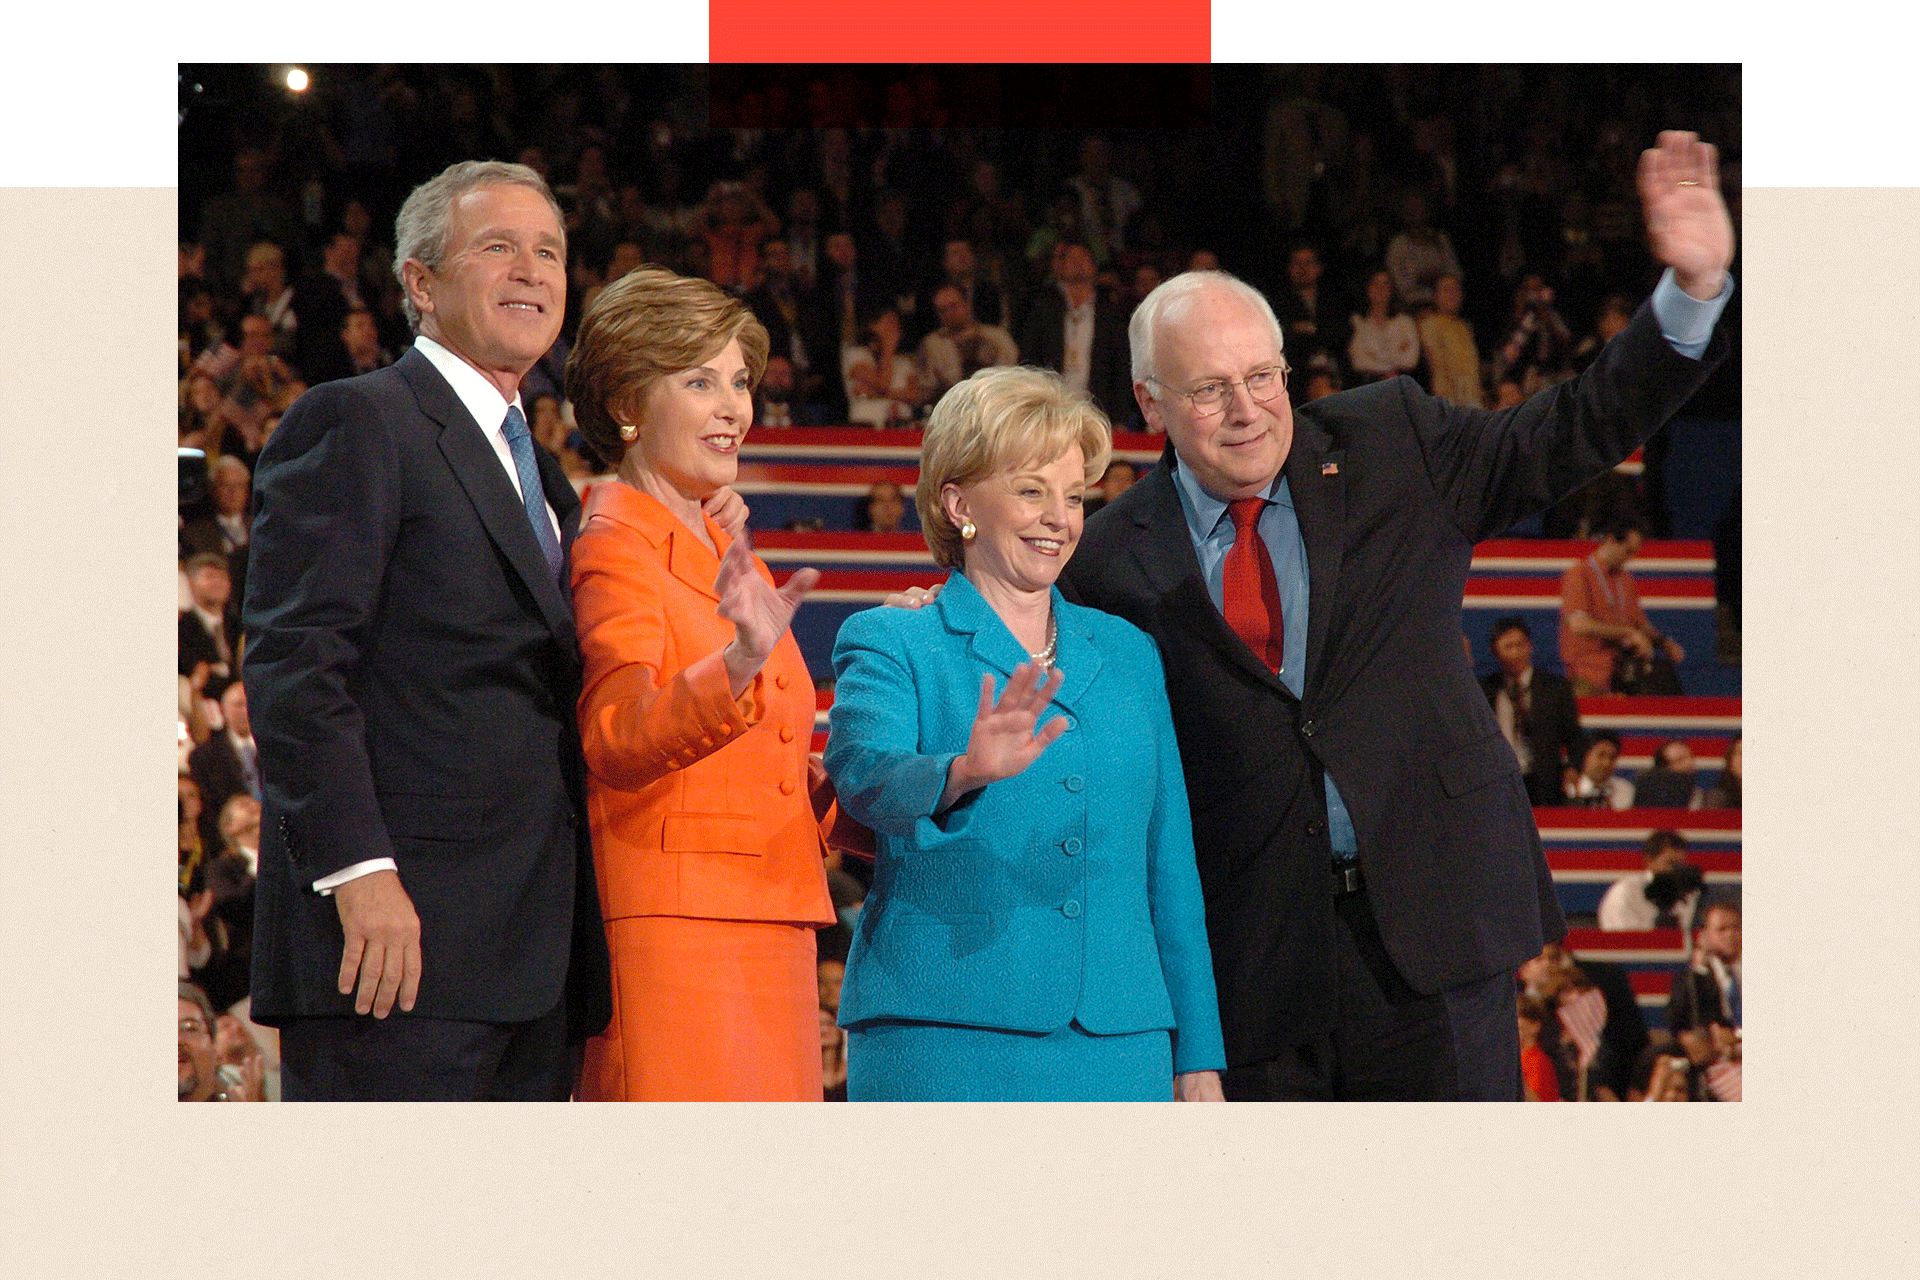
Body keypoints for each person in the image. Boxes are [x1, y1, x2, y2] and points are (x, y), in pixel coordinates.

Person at [1054, 130, 1733, 1099]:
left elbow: (1569, 425)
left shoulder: (1390, 442)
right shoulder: (1108, 557)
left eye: (1262, 375)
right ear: (1149, 401)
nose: (1247, 409)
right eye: (1209, 389)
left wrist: (1693, 292)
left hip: (1436, 929)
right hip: (1253, 967)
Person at [243, 160, 622, 1101]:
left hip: (533, 960)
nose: (532, 271)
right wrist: (356, 870)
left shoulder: (543, 472)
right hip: (391, 946)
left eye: (549, 252)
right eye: (499, 247)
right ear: (420, 282)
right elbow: (297, 664)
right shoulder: (357, 420)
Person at [826, 366, 1226, 1101]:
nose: (1059, 519)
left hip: (1121, 1047)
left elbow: (1168, 861)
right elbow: (863, 777)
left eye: (1073, 496)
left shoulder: (1129, 654)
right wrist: (961, 772)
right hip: (942, 1038)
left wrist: (1197, 1052)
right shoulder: (893, 638)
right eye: (1031, 491)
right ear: (958, 503)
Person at [563, 265, 836, 1101]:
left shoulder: (726, 546)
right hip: (676, 936)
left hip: (774, 918)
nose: (733, 407)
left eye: (740, 382)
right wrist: (740, 663)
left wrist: (926, 780)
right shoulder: (615, 545)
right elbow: (614, 734)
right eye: (699, 382)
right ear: (627, 404)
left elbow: (768, 761)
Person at [1558, 514, 1685, 694]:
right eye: (1627, 551)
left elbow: (1640, 623)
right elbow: (1579, 625)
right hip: (1588, 672)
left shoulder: (1625, 579)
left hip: (1623, 668)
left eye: (1634, 553)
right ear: (1610, 540)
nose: (1630, 558)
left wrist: (1664, 642)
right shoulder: (1579, 574)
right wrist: (1628, 633)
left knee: (1665, 684)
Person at [1480, 616, 1584, 807]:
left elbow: (1574, 736)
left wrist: (1573, 768)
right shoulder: (1486, 690)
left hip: (1545, 783)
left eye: (1520, 645)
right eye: (1508, 647)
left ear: (1530, 646)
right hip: (1499, 781)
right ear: (1495, 651)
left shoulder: (1555, 688)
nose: (1515, 653)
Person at [1597, 829, 1701, 932]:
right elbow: (1622, 938)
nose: (1675, 870)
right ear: (1649, 860)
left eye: (1680, 865)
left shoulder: (1689, 895)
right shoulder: (1626, 892)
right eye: (1670, 863)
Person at [1345, 269, 1421, 382]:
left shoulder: (1405, 322)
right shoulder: (1357, 323)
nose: (1380, 289)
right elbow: (1359, 362)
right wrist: (1390, 364)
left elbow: (1411, 360)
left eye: (1385, 285)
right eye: (1375, 284)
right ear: (1367, 288)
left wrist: (1376, 357)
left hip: (1401, 381)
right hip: (1369, 383)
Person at [1566, 729, 1633, 810]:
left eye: (1612, 757)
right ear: (1586, 755)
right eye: (1601, 755)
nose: (1606, 763)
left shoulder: (1626, 790)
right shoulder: (1569, 790)